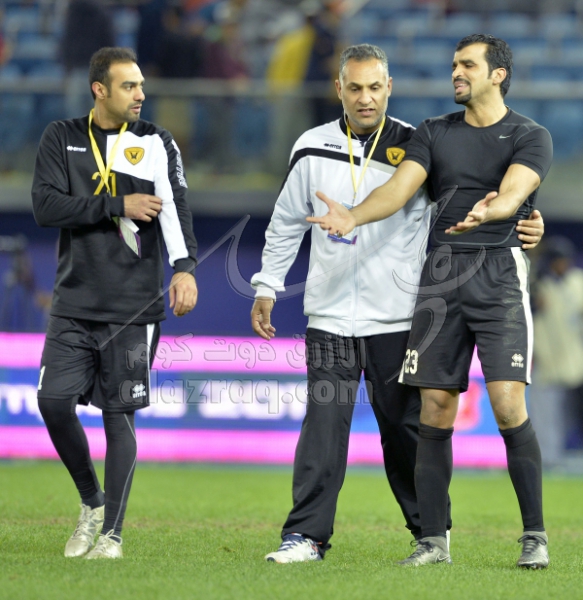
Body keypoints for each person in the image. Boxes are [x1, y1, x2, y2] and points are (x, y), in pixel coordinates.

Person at [250, 43, 545, 564]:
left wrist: (521, 218)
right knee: (323, 428)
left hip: (399, 315)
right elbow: (287, 221)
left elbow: (471, 194)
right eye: (355, 88)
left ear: (389, 88)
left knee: (409, 430)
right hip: (330, 316)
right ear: (339, 90)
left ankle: (432, 530)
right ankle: (305, 537)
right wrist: (268, 284)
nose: (365, 98)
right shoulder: (314, 146)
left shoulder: (416, 139)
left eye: (374, 87)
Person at [32, 47, 198, 559]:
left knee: (119, 417)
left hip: (133, 307)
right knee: (53, 403)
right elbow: (45, 206)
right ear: (99, 90)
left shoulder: (155, 140)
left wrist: (184, 267)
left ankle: (112, 535)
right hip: (74, 301)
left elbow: (175, 206)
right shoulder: (61, 136)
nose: (141, 94)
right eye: (129, 86)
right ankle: (92, 502)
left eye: (141, 85)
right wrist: (115, 205)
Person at [531, 236, 583, 467]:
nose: (563, 264)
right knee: (545, 414)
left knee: (571, 415)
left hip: (576, 362)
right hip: (548, 362)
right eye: (558, 260)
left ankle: (568, 458)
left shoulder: (577, 281)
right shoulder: (538, 285)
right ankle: (548, 459)